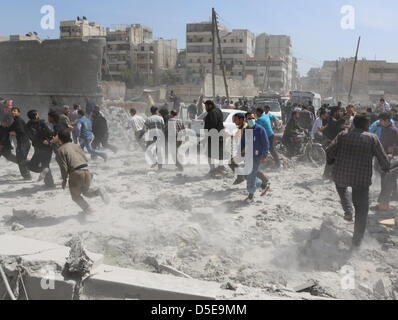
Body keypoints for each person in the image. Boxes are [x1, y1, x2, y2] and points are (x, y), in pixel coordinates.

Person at [326, 114, 390, 249]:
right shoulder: (372, 138)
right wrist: (386, 168)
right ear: (367, 125)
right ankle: (356, 243)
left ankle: (348, 210)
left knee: (341, 188)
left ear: (354, 123)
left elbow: (329, 151)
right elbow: (382, 158)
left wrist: (333, 161)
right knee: (362, 210)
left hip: (341, 175)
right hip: (361, 180)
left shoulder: (343, 135)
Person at [56, 129, 109, 214]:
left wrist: (64, 180)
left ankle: (88, 209)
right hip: (86, 170)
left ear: (59, 139)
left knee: (75, 196)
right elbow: (85, 159)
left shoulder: (60, 150)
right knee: (86, 192)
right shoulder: (76, 146)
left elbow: (63, 167)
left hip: (75, 173)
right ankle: (98, 191)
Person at [371, 113, 398, 211]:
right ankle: (393, 196)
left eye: (381, 121)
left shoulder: (393, 130)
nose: (380, 123)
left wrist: (389, 155)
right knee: (388, 179)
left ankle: (383, 204)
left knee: (386, 179)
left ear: (387, 120)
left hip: (388, 157)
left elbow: (393, 144)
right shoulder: (384, 127)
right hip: (383, 155)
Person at [240, 115, 270, 203]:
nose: (251, 120)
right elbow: (243, 142)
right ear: (246, 120)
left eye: (253, 118)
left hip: (257, 156)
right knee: (246, 175)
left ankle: (250, 196)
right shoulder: (246, 130)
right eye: (249, 119)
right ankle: (263, 186)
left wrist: (264, 155)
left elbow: (266, 143)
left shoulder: (260, 129)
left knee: (252, 174)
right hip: (248, 155)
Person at [24, 110, 55, 188]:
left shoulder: (27, 126)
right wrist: (47, 140)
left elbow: (31, 137)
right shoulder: (42, 123)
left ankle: (48, 181)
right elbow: (51, 133)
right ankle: (49, 182)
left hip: (38, 147)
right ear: (36, 115)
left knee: (32, 165)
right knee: (45, 165)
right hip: (47, 146)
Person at [8, 107, 32, 180]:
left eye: (15, 111)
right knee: (21, 159)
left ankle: (29, 173)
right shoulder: (16, 121)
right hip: (22, 142)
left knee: (21, 160)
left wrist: (13, 132)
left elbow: (22, 131)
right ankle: (27, 175)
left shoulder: (18, 120)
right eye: (12, 111)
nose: (13, 112)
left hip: (23, 143)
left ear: (19, 113)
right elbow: (10, 129)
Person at [323, 107, 346, 179]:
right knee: (331, 159)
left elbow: (338, 127)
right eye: (339, 111)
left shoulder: (334, 119)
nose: (340, 113)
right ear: (335, 112)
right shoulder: (330, 119)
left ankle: (328, 174)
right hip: (331, 142)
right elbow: (335, 124)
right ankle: (327, 175)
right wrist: (345, 117)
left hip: (335, 141)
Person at [204, 100, 225, 175]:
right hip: (220, 135)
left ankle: (213, 169)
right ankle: (221, 167)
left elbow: (213, 124)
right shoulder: (218, 110)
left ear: (210, 105)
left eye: (206, 106)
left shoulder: (211, 113)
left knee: (209, 154)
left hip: (213, 136)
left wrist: (206, 120)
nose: (205, 108)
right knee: (220, 152)